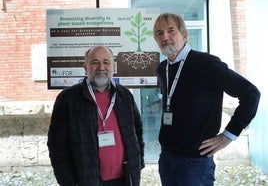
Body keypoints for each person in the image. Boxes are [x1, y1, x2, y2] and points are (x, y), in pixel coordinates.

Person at [153, 13, 260, 186]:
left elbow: (251, 93)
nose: (165, 36)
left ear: (185, 35)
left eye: (170, 30)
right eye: (159, 33)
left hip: (195, 164)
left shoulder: (205, 63)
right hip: (167, 159)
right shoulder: (162, 68)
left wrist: (228, 135)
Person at [47, 46, 145, 186]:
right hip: (86, 181)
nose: (101, 67)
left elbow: (138, 132)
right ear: (85, 67)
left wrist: (137, 163)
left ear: (114, 66)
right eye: (95, 62)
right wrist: (68, 182)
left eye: (106, 62)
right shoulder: (68, 99)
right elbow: (56, 146)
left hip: (125, 179)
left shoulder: (124, 96)